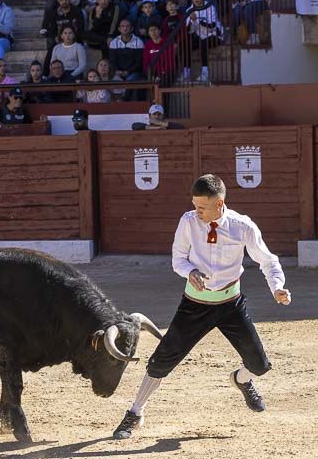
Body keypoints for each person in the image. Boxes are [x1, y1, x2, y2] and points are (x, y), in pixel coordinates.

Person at [110, 173, 290, 440]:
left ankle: (241, 379)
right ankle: (135, 413)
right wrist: (190, 271)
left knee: (260, 365)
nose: (196, 212)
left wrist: (277, 286)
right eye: (194, 205)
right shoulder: (188, 222)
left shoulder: (243, 226)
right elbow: (178, 259)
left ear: (219, 203)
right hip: (195, 305)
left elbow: (268, 260)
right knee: (160, 362)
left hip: (231, 304)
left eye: (201, 207)